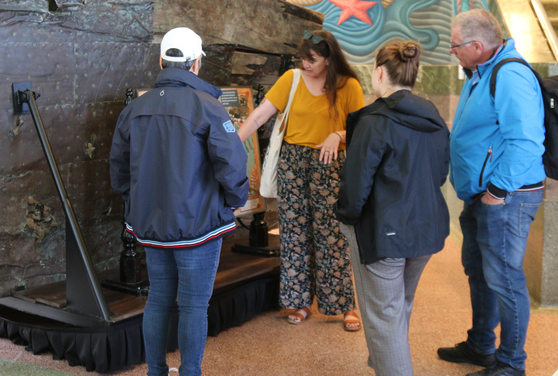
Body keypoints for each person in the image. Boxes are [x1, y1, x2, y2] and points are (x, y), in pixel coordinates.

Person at [109, 27, 249, 376]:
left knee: (157, 298)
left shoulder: (134, 109)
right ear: (196, 63)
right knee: (193, 306)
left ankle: (155, 371)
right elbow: (231, 166)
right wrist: (235, 201)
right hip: (199, 226)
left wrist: (136, 204)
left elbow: (119, 170)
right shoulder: (209, 108)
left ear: (161, 61)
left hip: (151, 226)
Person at [438, 9, 545, 376]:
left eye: (455, 45)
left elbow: (527, 143)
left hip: (506, 197)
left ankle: (511, 363)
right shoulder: (478, 71)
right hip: (481, 194)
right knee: (480, 272)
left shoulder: (510, 75)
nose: (452, 50)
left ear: (478, 46)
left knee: (504, 278)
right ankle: (481, 345)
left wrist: (497, 192)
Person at [336, 41, 450, 376]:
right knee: (399, 304)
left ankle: (391, 366)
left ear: (380, 72)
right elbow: (440, 173)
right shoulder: (434, 117)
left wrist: (346, 217)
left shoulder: (374, 121)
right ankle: (386, 362)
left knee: (384, 314)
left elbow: (355, 186)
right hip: (426, 228)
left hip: (385, 231)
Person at [237, 29, 364, 330]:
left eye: (313, 59)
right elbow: (258, 117)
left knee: (332, 237)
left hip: (329, 165)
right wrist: (229, 143)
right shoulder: (291, 79)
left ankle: (343, 305)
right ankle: (301, 302)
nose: (306, 65)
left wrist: (339, 134)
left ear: (330, 59)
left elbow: (364, 131)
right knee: (294, 235)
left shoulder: (349, 86)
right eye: (302, 58)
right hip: (292, 164)